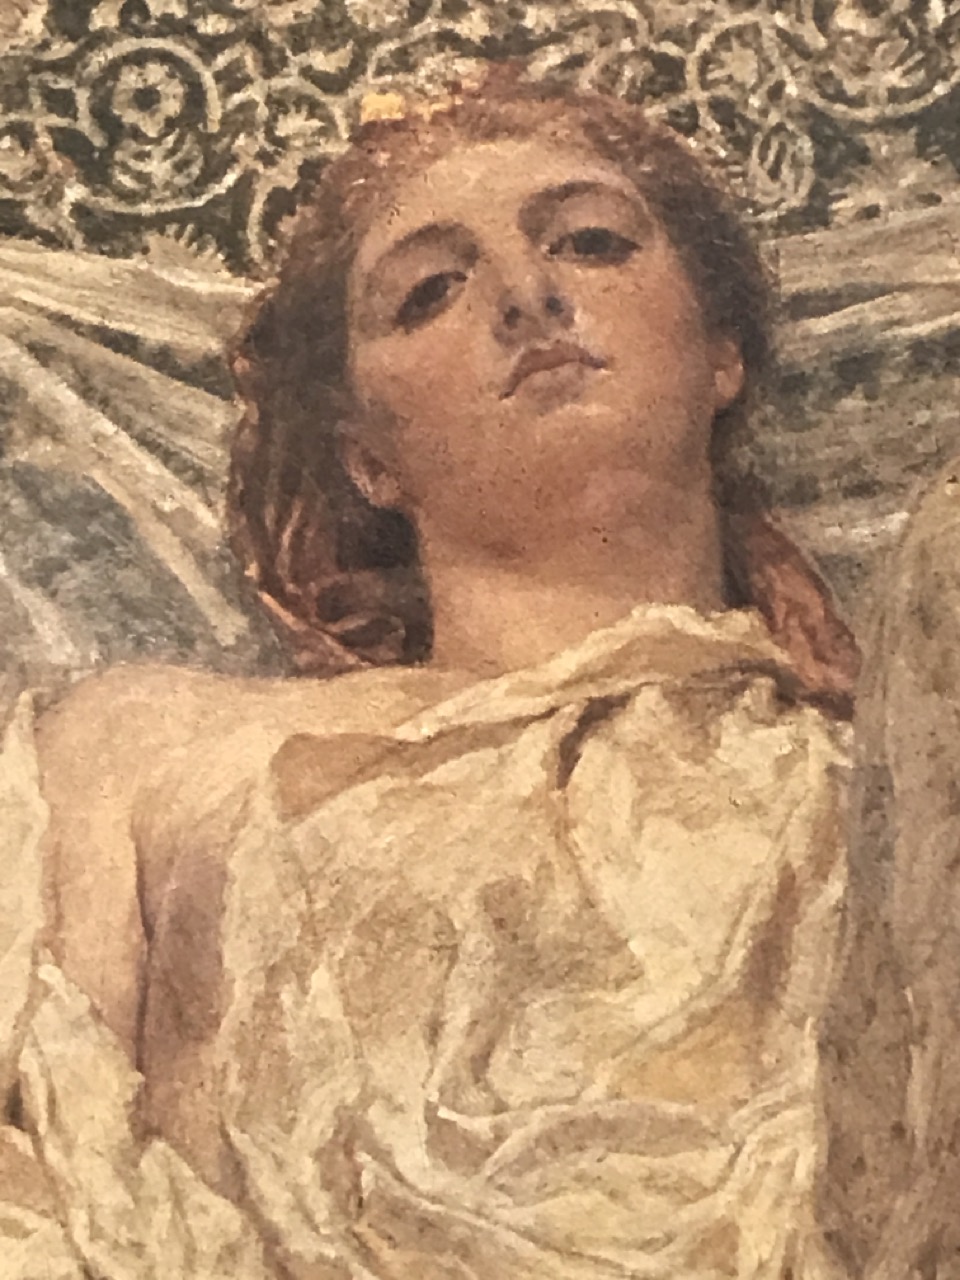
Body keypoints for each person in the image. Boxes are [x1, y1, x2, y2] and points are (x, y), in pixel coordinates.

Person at [2, 67, 859, 1278]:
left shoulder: (869, 778)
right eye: (429, 292)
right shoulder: (149, 746)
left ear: (722, 354)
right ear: (368, 459)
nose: (528, 295)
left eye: (593, 241)